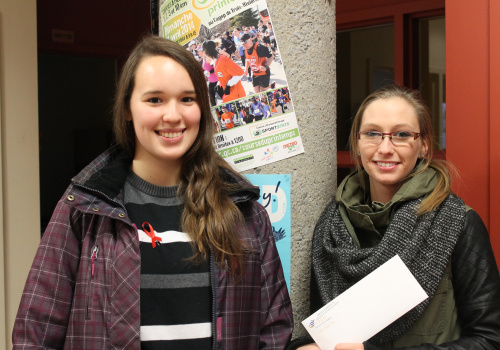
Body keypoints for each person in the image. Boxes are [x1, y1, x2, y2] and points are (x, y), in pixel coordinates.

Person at [13, 35, 293, 349]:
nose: (173, 115)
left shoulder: (245, 213)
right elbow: (35, 333)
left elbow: (275, 331)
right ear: (128, 109)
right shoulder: (84, 208)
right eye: (155, 100)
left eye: (187, 99)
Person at [286, 85, 500, 350]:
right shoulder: (332, 227)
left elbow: (490, 340)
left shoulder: (458, 222)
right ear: (358, 142)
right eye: (373, 133)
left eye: (401, 134)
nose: (385, 148)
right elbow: (324, 329)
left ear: (422, 145)